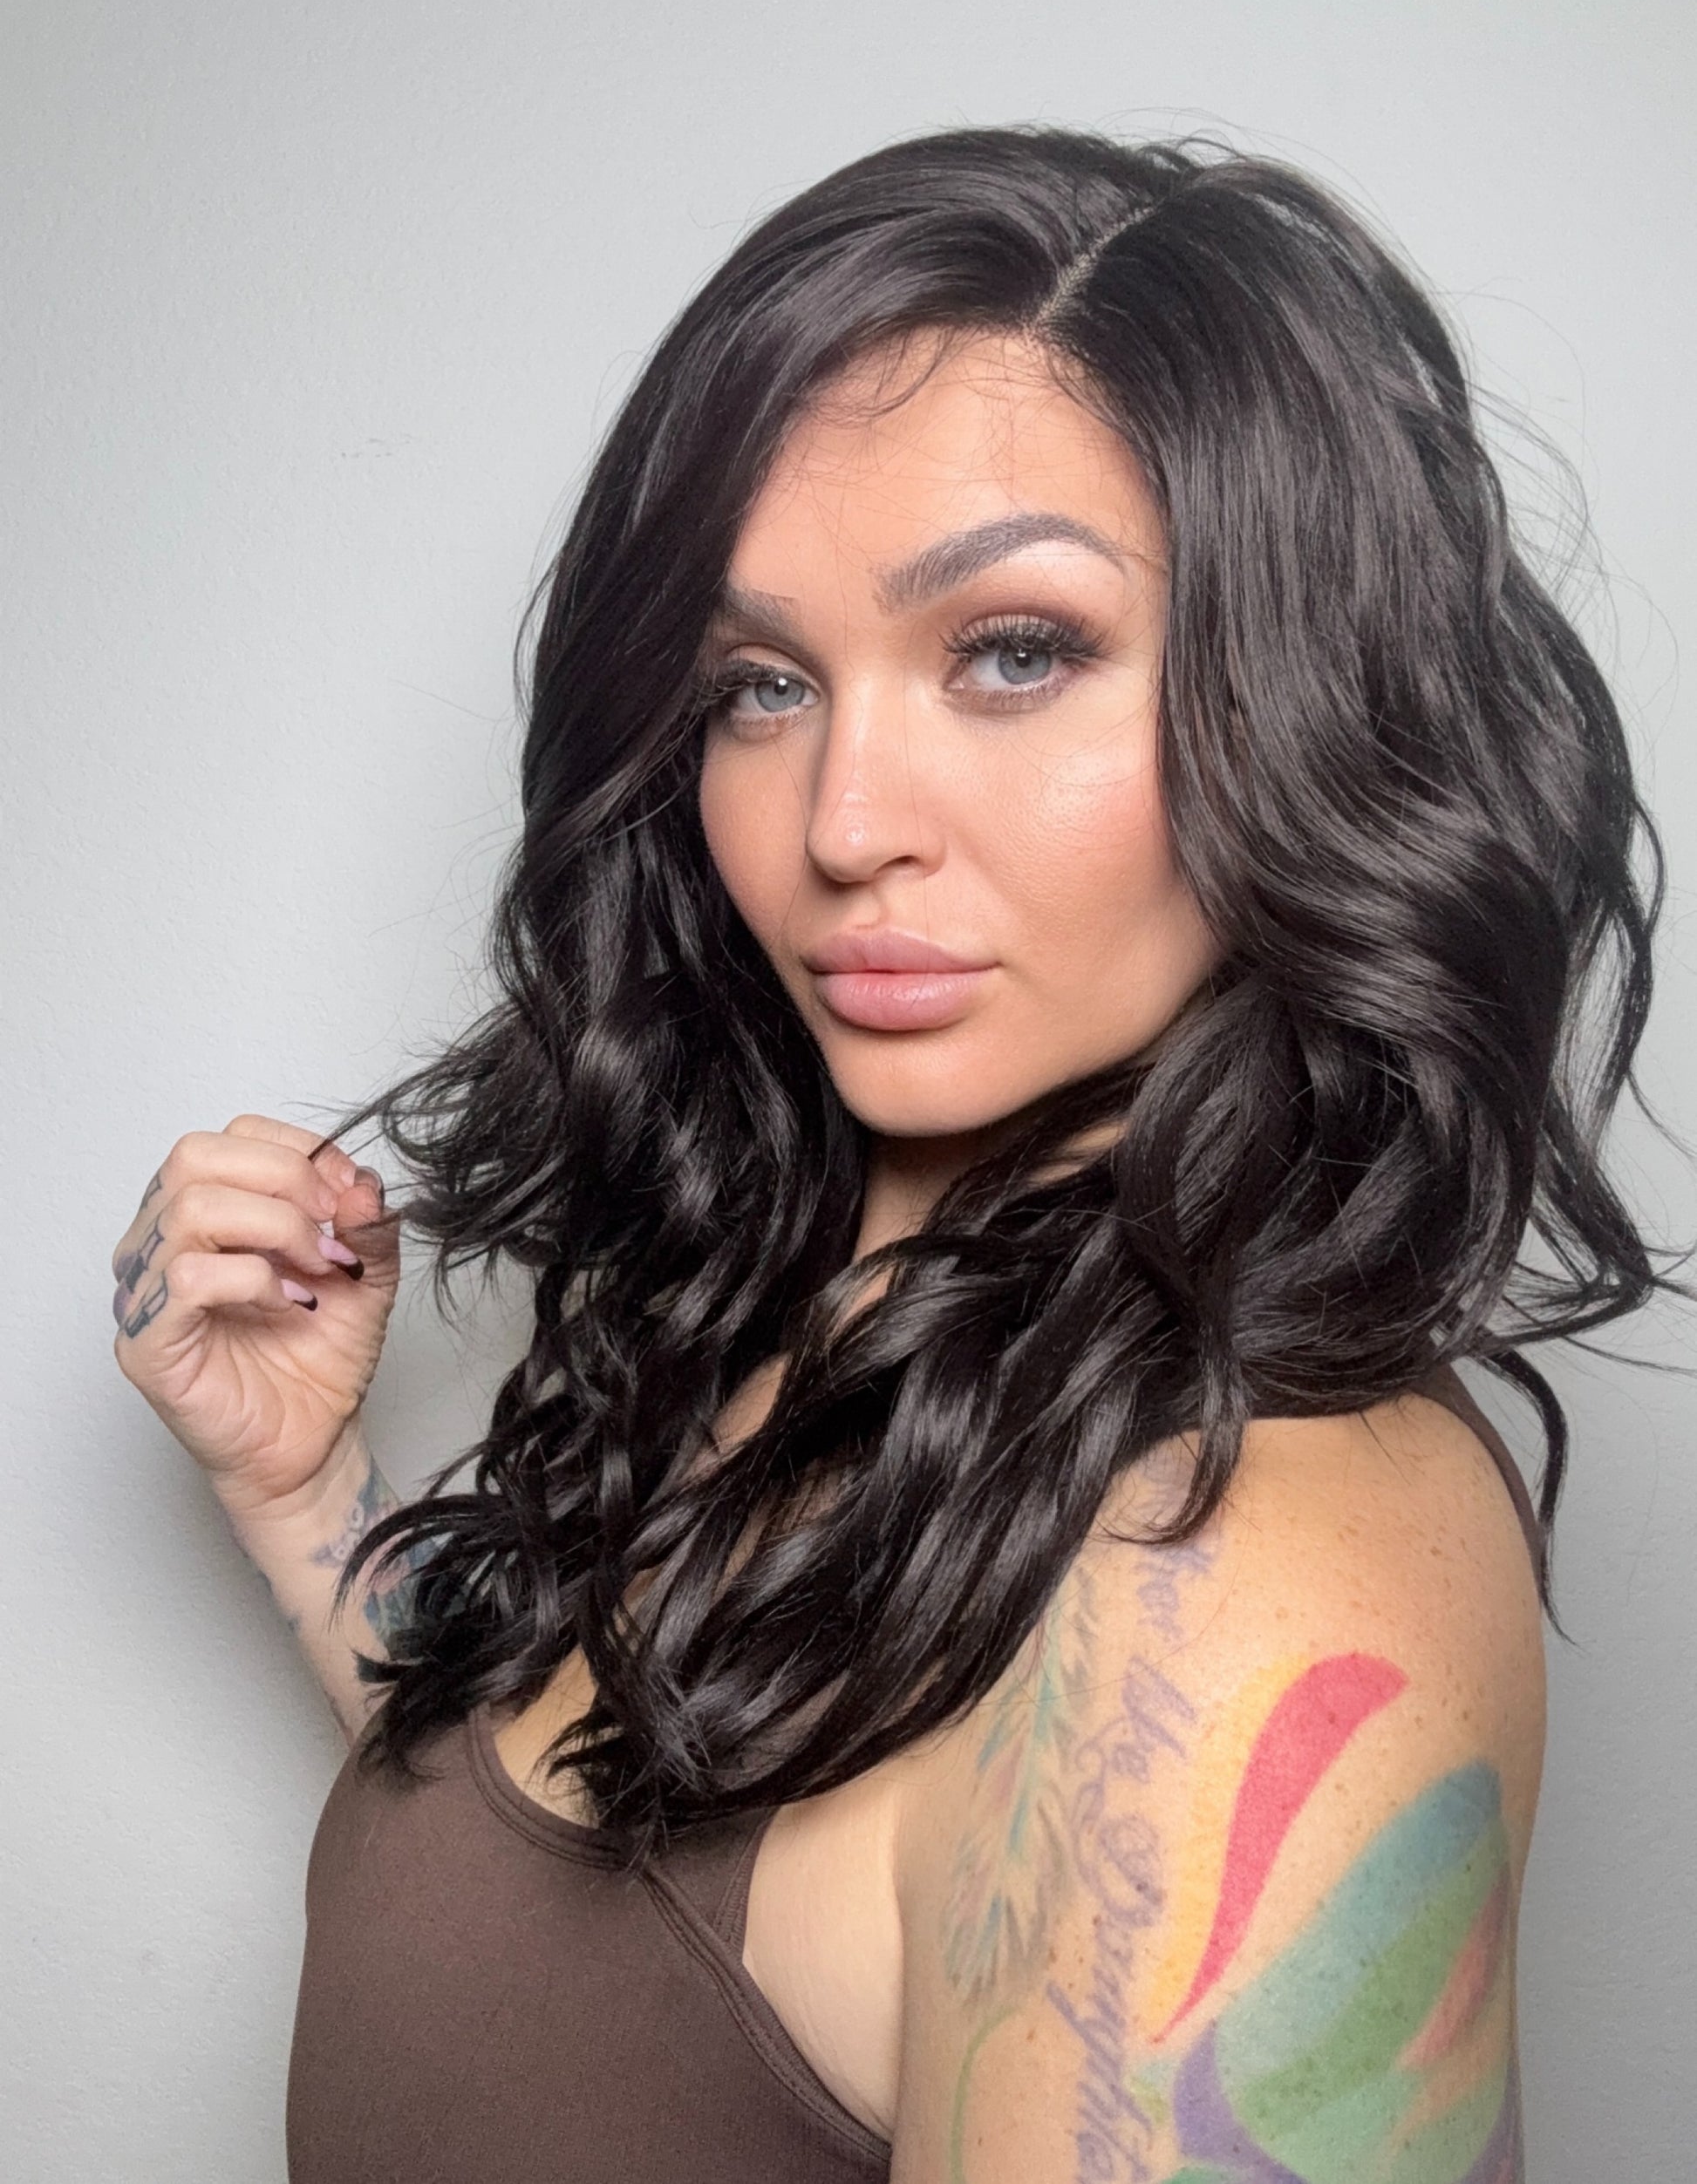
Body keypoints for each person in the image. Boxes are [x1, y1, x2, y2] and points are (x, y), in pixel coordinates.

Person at [109, 126, 1672, 2184]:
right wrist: (307, 1499)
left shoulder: (1227, 1568)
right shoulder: (847, 1308)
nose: (843, 819)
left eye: (1014, 650)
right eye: (760, 685)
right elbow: (606, 1980)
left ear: (1303, 690)